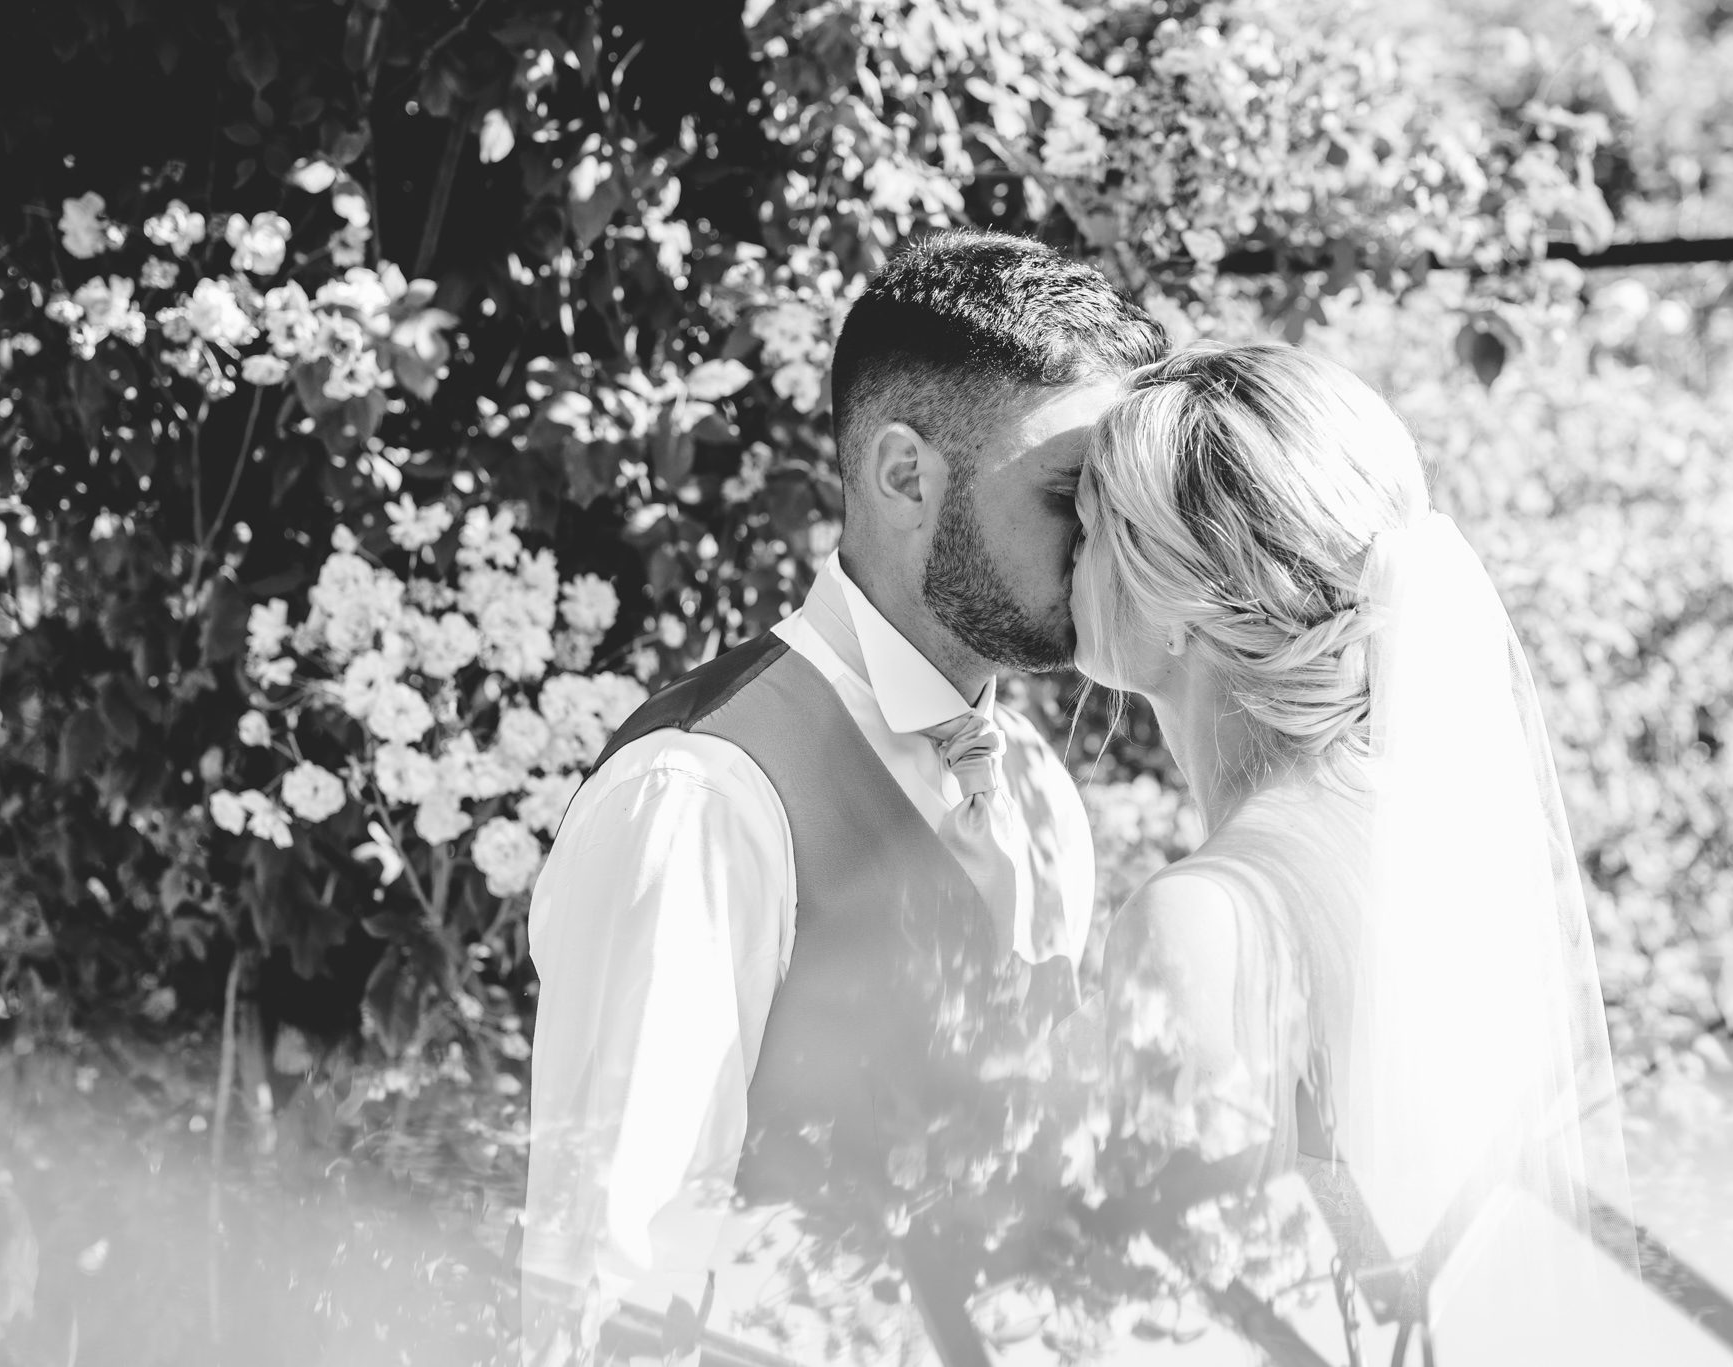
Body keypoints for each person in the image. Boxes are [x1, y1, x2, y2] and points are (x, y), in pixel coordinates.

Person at [521, 230, 1167, 1366]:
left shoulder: (1035, 788)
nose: (1101, 543)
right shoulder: (704, 792)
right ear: (903, 474)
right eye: (1067, 493)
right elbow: (609, 1275)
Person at [1068, 341, 1639, 1363]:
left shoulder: (1201, 920)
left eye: (1086, 521)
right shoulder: (1437, 869)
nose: (1065, 554)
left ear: (1178, 589)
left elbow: (1175, 1326)